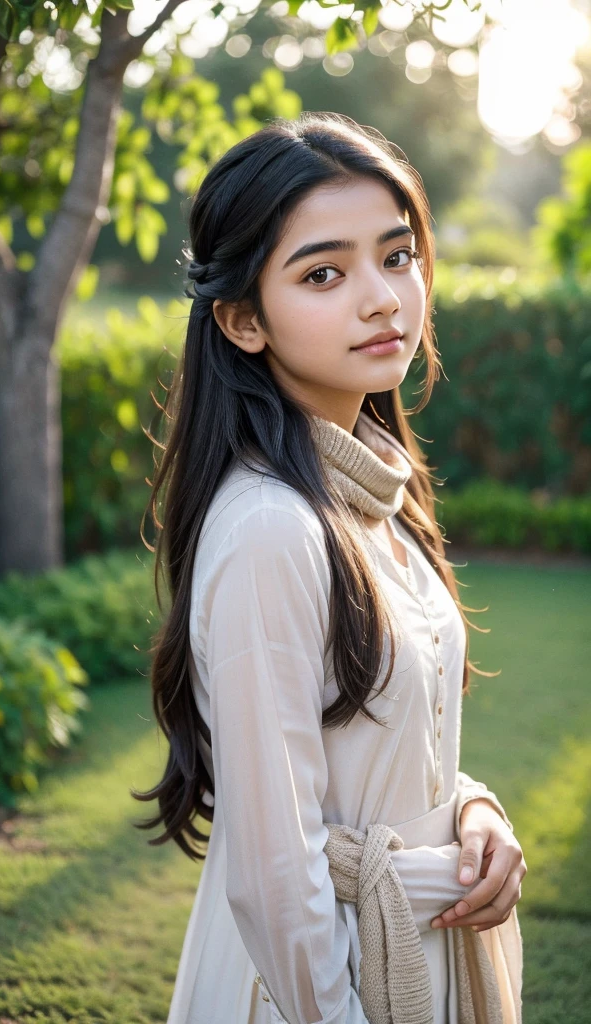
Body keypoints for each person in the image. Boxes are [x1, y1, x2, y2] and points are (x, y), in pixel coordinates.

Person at [132, 112, 526, 1024]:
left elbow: (386, 754)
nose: (383, 298)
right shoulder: (271, 528)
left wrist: (473, 816)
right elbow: (277, 874)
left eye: (397, 255)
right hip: (322, 981)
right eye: (323, 273)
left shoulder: (374, 491)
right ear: (241, 320)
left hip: (415, 942)